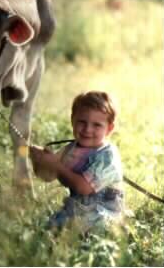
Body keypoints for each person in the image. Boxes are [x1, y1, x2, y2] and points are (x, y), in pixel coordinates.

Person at [29, 91, 124, 233]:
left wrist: (57, 166)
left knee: (90, 227)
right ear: (72, 120)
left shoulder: (107, 156)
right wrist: (40, 161)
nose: (87, 129)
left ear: (109, 128)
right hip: (76, 209)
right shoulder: (70, 149)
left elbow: (83, 188)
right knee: (50, 228)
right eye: (82, 122)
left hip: (103, 212)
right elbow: (48, 176)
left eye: (96, 125)